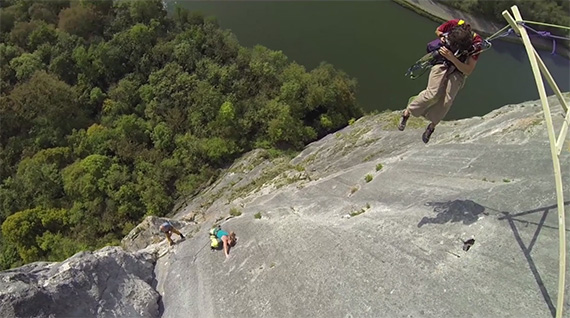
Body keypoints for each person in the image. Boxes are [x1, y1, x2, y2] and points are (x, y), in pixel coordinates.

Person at [399, 19, 484, 143]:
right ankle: (408, 112)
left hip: (459, 67)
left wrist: (453, 58)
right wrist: (442, 38)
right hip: (443, 60)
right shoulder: (456, 23)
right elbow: (438, 30)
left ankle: (432, 125)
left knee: (447, 100)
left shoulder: (476, 44)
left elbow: (468, 70)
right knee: (432, 93)